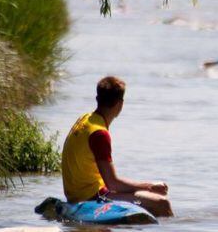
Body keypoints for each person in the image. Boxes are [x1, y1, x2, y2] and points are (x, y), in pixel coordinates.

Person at [61, 76, 174, 217]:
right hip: (91, 197)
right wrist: (150, 186)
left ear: (97, 99)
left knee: (147, 202)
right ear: (120, 104)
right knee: (162, 203)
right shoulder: (99, 134)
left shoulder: (85, 119)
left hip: (77, 193)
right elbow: (113, 184)